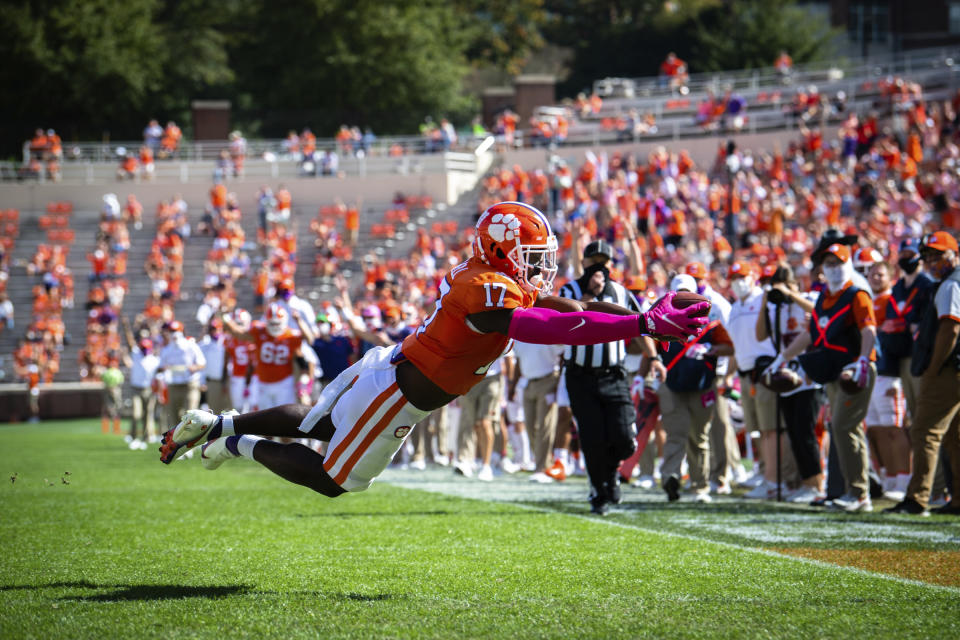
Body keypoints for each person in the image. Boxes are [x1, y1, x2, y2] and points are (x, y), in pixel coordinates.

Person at [159, 202, 708, 503]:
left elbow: (560, 304)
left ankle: (217, 422)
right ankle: (234, 443)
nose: (541, 265)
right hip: (400, 392)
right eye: (532, 253)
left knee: (319, 423)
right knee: (335, 480)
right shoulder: (485, 290)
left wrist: (640, 314)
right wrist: (638, 323)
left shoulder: (491, 274)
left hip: (393, 368)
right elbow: (548, 327)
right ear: (502, 249)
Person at [765, 244, 877, 512]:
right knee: (844, 428)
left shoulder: (856, 295)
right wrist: (782, 358)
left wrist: (863, 359)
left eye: (838, 263)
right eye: (828, 264)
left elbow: (868, 330)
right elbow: (810, 334)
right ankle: (856, 491)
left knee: (842, 426)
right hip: (834, 370)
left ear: (847, 265)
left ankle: (860, 494)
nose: (834, 269)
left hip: (854, 369)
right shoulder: (824, 298)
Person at [556, 239, 646, 514]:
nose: (598, 268)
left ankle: (610, 472)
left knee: (624, 439)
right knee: (592, 438)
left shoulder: (620, 292)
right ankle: (600, 491)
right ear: (583, 265)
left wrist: (653, 357)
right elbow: (558, 325)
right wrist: (585, 302)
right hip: (581, 376)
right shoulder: (569, 291)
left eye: (603, 262)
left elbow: (639, 324)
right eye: (592, 261)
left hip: (614, 373)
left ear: (610, 266)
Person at [886, 231, 960, 516]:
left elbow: (950, 329)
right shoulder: (949, 283)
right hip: (954, 368)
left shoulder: (950, 286)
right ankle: (956, 499)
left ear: (953, 254)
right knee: (954, 436)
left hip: (948, 370)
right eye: (928, 256)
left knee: (924, 431)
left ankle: (917, 498)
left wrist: (933, 368)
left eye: (937, 255)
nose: (931, 262)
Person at [657, 274, 734, 503]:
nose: (682, 298)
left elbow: (729, 348)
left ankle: (700, 486)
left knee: (699, 437)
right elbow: (649, 350)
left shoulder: (710, 320)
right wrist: (644, 376)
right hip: (671, 384)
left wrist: (710, 348)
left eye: (686, 293)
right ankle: (671, 476)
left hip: (702, 384)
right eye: (678, 292)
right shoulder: (658, 317)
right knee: (676, 434)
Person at [156, 320, 206, 431]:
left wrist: (194, 367)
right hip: (173, 384)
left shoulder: (191, 346)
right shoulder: (166, 349)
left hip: (189, 384)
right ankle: (177, 443)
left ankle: (190, 443)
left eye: (175, 330)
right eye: (171, 331)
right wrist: (164, 368)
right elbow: (160, 367)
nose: (174, 333)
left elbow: (202, 363)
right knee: (174, 416)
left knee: (190, 415)